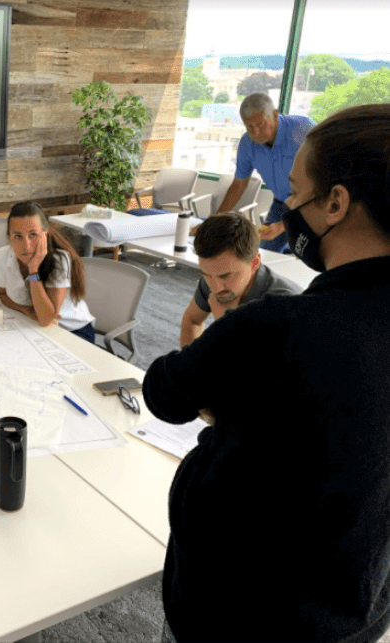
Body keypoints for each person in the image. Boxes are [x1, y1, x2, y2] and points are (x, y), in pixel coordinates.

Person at [145, 103, 390, 643]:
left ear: (335, 203)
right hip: (355, 611)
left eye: (294, 192)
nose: (285, 208)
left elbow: (162, 389)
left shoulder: (272, 326)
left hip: (237, 613)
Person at [179, 212, 301, 346]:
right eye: (206, 275)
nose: (215, 287)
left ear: (254, 263)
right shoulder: (214, 274)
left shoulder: (285, 303)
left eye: (226, 276)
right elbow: (192, 320)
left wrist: (225, 321)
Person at [214, 93, 314, 252]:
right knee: (263, 253)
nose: (255, 132)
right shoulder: (247, 144)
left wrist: (284, 225)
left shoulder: (302, 129)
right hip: (281, 204)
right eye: (249, 127)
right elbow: (239, 184)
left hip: (312, 203)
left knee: (309, 254)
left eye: (260, 124)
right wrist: (215, 221)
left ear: (274, 115)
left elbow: (325, 177)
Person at [0, 202, 96, 343]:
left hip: (72, 331)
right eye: (18, 236)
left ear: (44, 235)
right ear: (9, 238)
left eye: (33, 235)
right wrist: (26, 310)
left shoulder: (59, 259)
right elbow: (2, 294)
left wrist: (33, 269)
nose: (26, 245)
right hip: (32, 325)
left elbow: (46, 318)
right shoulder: (1, 256)